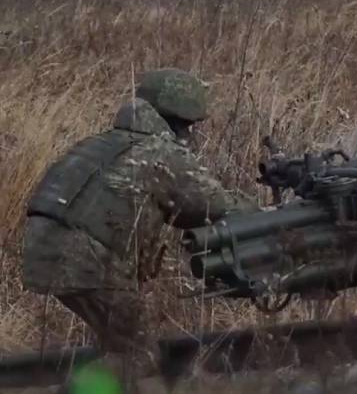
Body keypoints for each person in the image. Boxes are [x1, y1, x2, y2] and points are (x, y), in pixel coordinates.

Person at [21, 68, 260, 392]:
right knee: (138, 353)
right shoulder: (161, 152)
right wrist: (261, 209)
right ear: (181, 122)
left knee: (117, 344)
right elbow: (213, 206)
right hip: (85, 259)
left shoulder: (105, 143)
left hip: (42, 248)